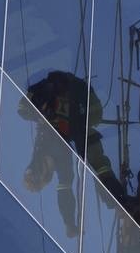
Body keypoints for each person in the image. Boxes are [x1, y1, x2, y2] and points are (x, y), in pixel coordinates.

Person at [18, 70, 126, 233]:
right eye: (40, 173)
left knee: (97, 163)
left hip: (74, 126)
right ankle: (117, 200)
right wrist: (69, 222)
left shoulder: (43, 147)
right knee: (98, 164)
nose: (43, 167)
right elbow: (65, 189)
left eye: (36, 170)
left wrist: (42, 106)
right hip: (76, 129)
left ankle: (116, 200)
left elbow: (22, 109)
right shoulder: (62, 163)